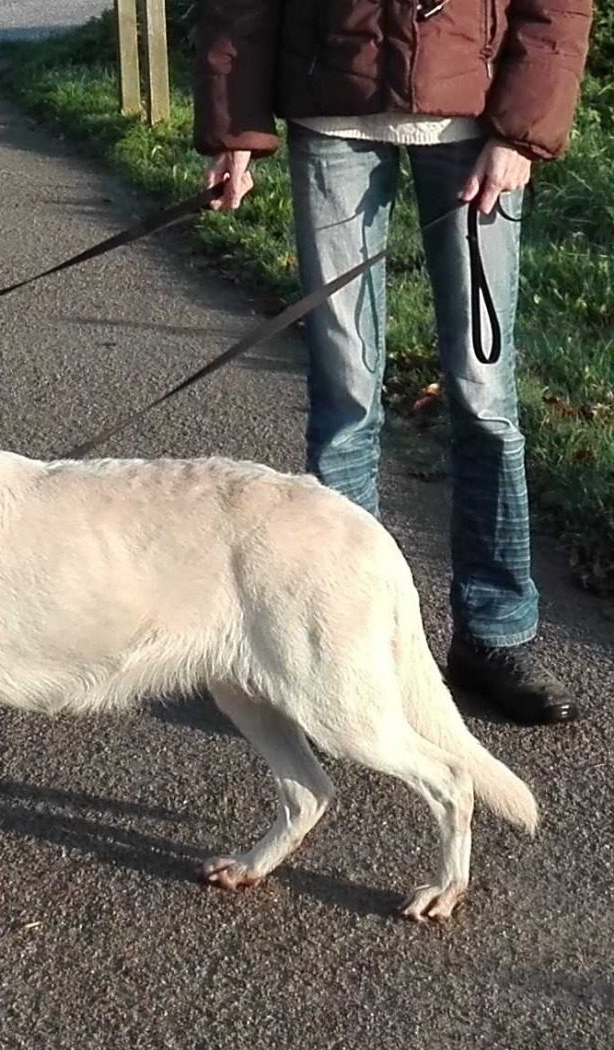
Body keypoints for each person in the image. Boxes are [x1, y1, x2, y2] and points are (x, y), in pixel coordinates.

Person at [195, 0, 594, 725]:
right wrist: (234, 130)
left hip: (476, 122)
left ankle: (493, 634)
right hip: (331, 112)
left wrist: (521, 132)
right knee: (344, 398)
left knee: (484, 396)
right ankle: (339, 653)